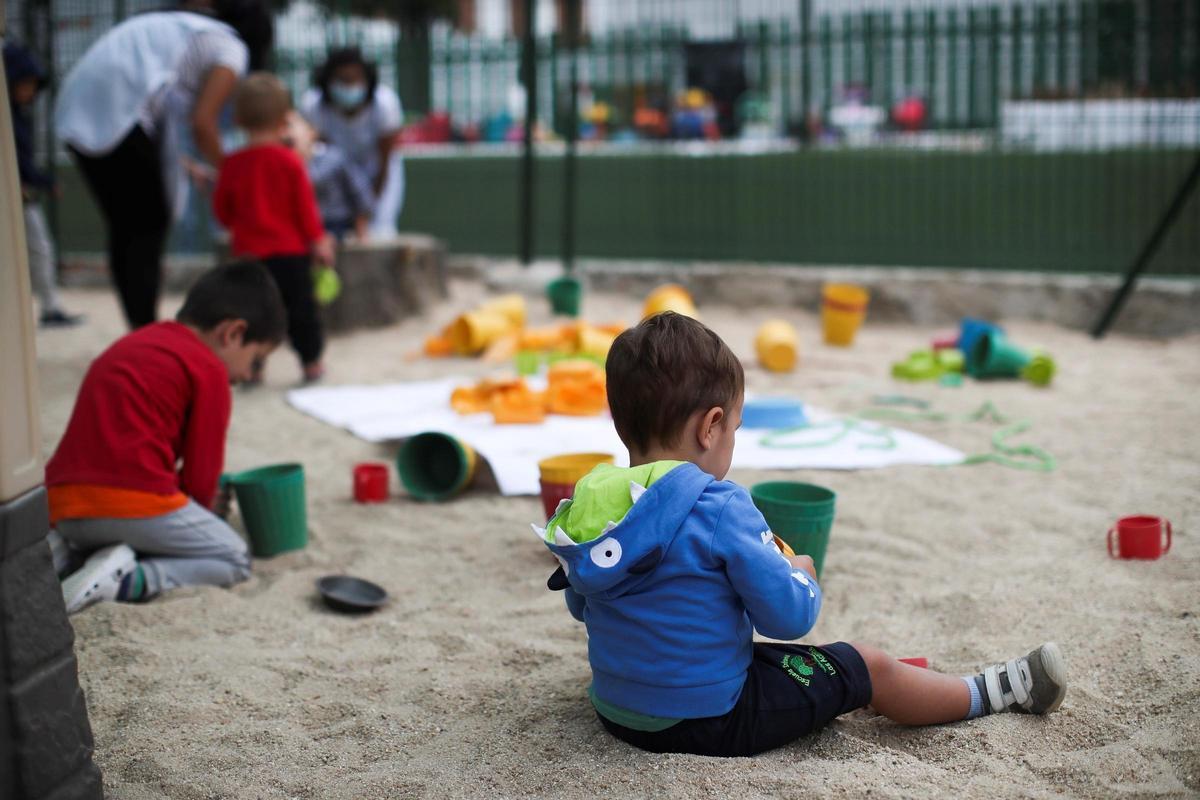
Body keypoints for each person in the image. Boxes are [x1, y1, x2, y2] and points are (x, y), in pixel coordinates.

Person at [535, 311, 1068, 756]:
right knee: (869, 665)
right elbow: (789, 620)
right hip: (712, 720)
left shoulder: (591, 503)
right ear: (711, 426)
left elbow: (584, 606)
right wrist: (801, 574)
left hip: (618, 713)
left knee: (785, 664)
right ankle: (989, 693)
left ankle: (894, 682)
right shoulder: (720, 505)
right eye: (735, 431)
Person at [47, 261, 286, 614]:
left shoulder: (138, 341)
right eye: (257, 360)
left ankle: (70, 556)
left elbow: (118, 445)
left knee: (128, 518)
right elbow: (201, 478)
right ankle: (131, 579)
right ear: (233, 334)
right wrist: (205, 510)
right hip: (128, 501)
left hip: (62, 506)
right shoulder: (208, 369)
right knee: (233, 556)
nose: (251, 375)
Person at [54, 0, 273, 329]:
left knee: (128, 226)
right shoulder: (231, 47)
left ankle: (139, 326)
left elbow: (163, 116)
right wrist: (234, 175)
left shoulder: (184, 28)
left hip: (80, 109)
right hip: (115, 113)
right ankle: (145, 327)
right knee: (146, 223)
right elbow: (203, 123)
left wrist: (186, 166)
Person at [213, 73, 334, 384]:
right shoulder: (290, 162)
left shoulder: (232, 164)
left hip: (249, 256)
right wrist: (318, 241)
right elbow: (305, 209)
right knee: (300, 311)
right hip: (290, 255)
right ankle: (311, 363)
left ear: (238, 119)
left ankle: (252, 366)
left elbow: (222, 211)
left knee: (252, 314)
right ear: (284, 119)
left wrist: (239, 224)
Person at [4, 41, 83, 327]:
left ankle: (49, 306)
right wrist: (43, 182)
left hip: (22, 193)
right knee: (38, 248)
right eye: (26, 83)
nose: (31, 91)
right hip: (17, 193)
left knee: (38, 249)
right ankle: (49, 307)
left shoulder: (17, 115)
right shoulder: (9, 117)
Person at [302, 48, 404, 237]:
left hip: (377, 170)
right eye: (342, 79)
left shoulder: (385, 104)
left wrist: (367, 209)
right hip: (335, 174)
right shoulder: (313, 106)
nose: (349, 85)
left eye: (354, 79)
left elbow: (384, 162)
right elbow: (320, 158)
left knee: (381, 231)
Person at [284, 110, 374, 241]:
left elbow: (359, 192)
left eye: (290, 125)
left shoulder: (334, 158)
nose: (286, 133)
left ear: (312, 131)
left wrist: (362, 229)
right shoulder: (282, 165)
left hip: (334, 225)